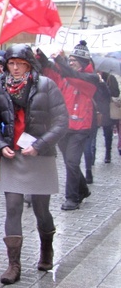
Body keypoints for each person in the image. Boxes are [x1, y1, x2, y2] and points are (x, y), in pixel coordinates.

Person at [0, 44, 68, 284]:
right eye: (10, 63)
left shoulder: (46, 85)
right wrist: (1, 145)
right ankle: (14, 265)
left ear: (29, 64)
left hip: (40, 156)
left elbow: (61, 121)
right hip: (14, 155)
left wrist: (40, 145)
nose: (14, 68)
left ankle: (47, 249)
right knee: (13, 207)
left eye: (19, 63)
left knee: (42, 210)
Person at [37, 41, 107, 210]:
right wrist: (41, 55)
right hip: (63, 125)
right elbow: (49, 71)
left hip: (81, 127)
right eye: (71, 59)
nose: (72, 62)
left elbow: (75, 78)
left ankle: (72, 198)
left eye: (75, 60)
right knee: (71, 163)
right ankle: (82, 189)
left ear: (83, 62)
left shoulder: (91, 78)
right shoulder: (66, 73)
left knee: (71, 161)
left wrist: (60, 61)